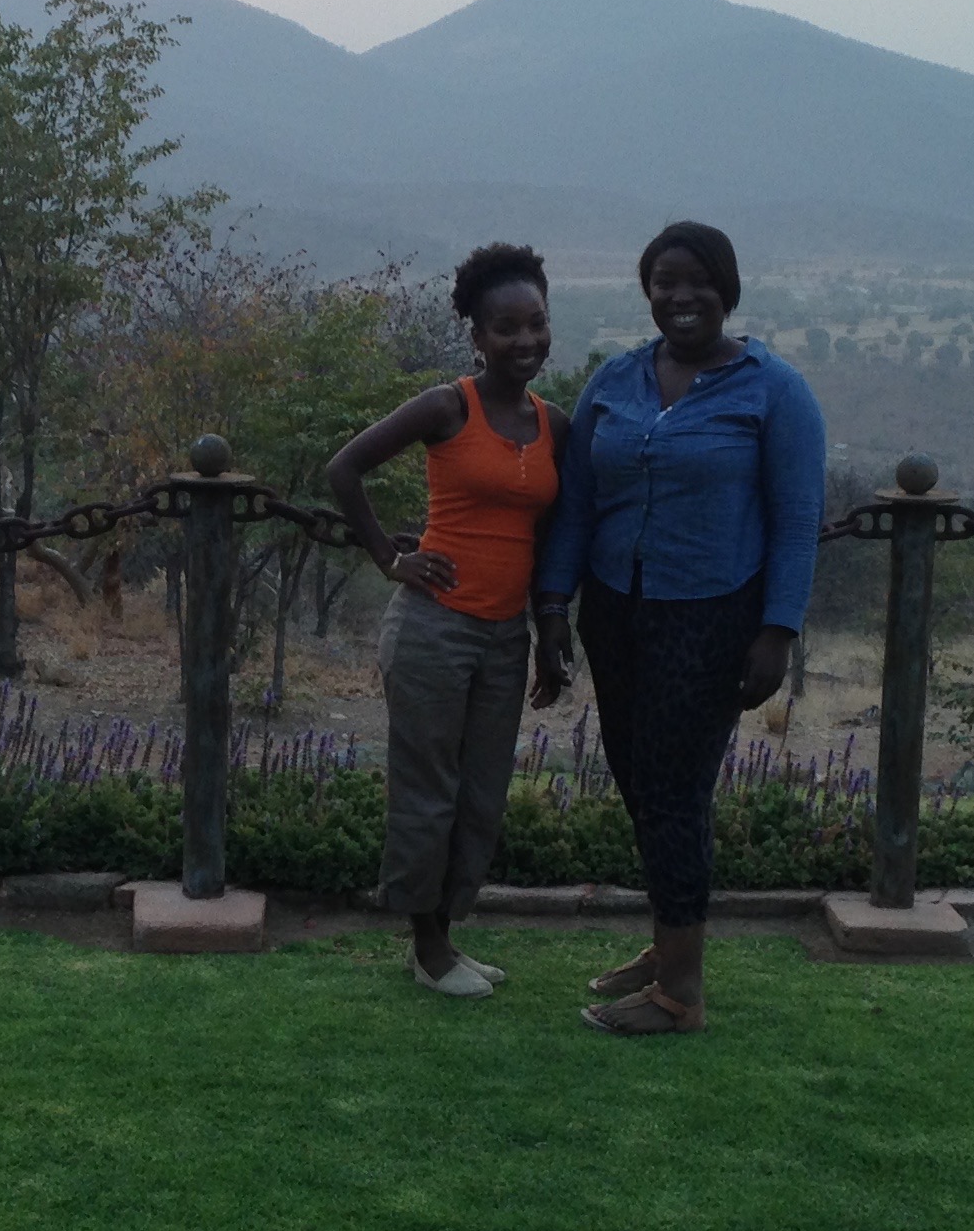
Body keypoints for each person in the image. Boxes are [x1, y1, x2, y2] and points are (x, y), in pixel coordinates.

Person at [534, 221, 825, 1035]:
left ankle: (681, 993)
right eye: (664, 281)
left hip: (712, 616)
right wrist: (553, 607)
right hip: (615, 611)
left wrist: (777, 631)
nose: (680, 295)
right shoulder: (615, 383)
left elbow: (798, 521)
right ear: (647, 291)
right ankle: (669, 945)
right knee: (640, 783)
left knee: (675, 791)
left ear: (727, 289)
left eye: (697, 280)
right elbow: (578, 505)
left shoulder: (774, 390)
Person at [325, 244, 573, 998]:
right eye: (506, 328)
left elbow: (548, 539)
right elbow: (343, 469)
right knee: (428, 790)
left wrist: (550, 640)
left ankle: (446, 937)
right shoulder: (448, 406)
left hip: (505, 637)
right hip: (434, 627)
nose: (525, 341)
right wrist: (386, 558)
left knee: (482, 794)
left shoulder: (555, 424)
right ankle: (427, 948)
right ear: (476, 336)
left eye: (536, 324)